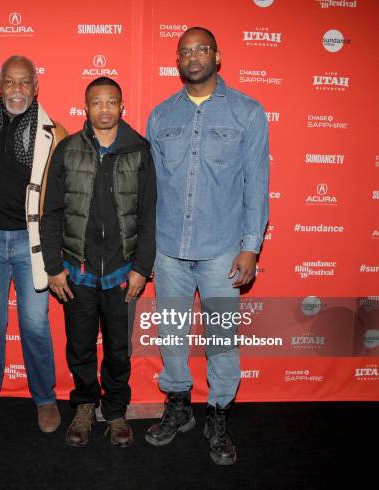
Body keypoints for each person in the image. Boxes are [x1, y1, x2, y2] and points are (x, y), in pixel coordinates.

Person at [144, 27, 269, 465]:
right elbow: (152, 189)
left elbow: (257, 183)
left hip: (221, 251)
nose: (192, 57)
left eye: (201, 49)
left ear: (217, 55)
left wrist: (251, 246)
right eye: (185, 51)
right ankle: (178, 406)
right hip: (169, 250)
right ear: (176, 60)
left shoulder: (248, 113)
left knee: (221, 338)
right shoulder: (160, 117)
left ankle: (217, 414)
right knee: (172, 333)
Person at [41, 77, 156, 447]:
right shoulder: (68, 150)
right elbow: (52, 212)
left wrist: (141, 267)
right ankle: (86, 405)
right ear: (85, 107)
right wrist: (54, 266)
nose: (104, 109)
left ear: (122, 106)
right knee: (80, 346)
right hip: (78, 270)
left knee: (119, 348)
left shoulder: (139, 150)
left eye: (111, 102)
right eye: (96, 102)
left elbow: (150, 214)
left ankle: (117, 410)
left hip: (123, 272)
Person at [0, 55, 67, 433]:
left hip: (30, 242)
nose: (17, 89)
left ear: (36, 88)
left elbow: (61, 198)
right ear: (0, 86)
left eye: (25, 83)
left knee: (35, 325)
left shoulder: (53, 133)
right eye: (10, 82)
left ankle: (45, 398)